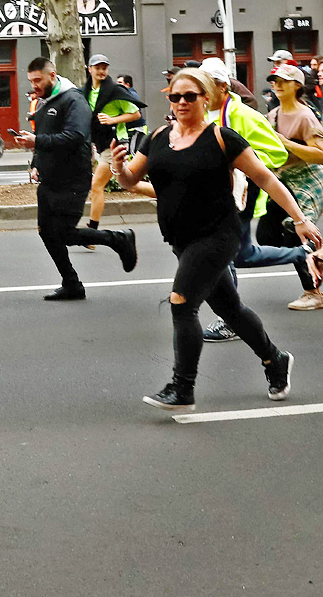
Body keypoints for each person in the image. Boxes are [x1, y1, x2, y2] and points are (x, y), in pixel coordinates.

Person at [111, 68, 320, 411]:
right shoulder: (159, 137)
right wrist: (119, 169)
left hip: (218, 235)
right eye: (174, 96)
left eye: (189, 96)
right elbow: (133, 180)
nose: (181, 102)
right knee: (231, 309)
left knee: (182, 302)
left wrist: (299, 219)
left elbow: (265, 178)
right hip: (182, 239)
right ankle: (275, 358)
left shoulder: (222, 138)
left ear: (205, 98)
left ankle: (183, 388)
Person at [196, 57, 318, 337]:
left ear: (223, 86)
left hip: (242, 195)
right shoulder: (206, 113)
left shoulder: (245, 116)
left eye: (205, 85)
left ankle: (230, 321)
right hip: (216, 196)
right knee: (241, 254)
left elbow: (276, 153)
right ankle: (307, 253)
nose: (199, 91)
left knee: (227, 256)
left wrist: (240, 164)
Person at [15, 57, 138, 301]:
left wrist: (36, 141)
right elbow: (43, 136)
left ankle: (118, 239)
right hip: (49, 179)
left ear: (52, 75)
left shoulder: (74, 100)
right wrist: (36, 163)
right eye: (31, 81)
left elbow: (75, 136)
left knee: (63, 233)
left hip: (72, 179)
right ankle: (71, 284)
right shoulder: (43, 101)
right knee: (46, 232)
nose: (34, 85)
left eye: (38, 80)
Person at [259, 63, 323, 310]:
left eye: (282, 81)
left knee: (297, 237)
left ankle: (313, 293)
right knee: (266, 236)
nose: (276, 84)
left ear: (297, 85)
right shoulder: (273, 115)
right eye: (274, 80)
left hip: (308, 181)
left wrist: (286, 143)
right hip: (282, 181)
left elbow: (320, 154)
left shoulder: (305, 115)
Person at [82, 55, 146, 243]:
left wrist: (113, 120)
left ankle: (92, 233)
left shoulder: (114, 91)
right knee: (131, 185)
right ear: (89, 69)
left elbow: (135, 114)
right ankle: (164, 192)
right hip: (100, 145)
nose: (101, 71)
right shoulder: (87, 91)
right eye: (98, 67)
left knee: (97, 186)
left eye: (104, 68)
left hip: (114, 145)